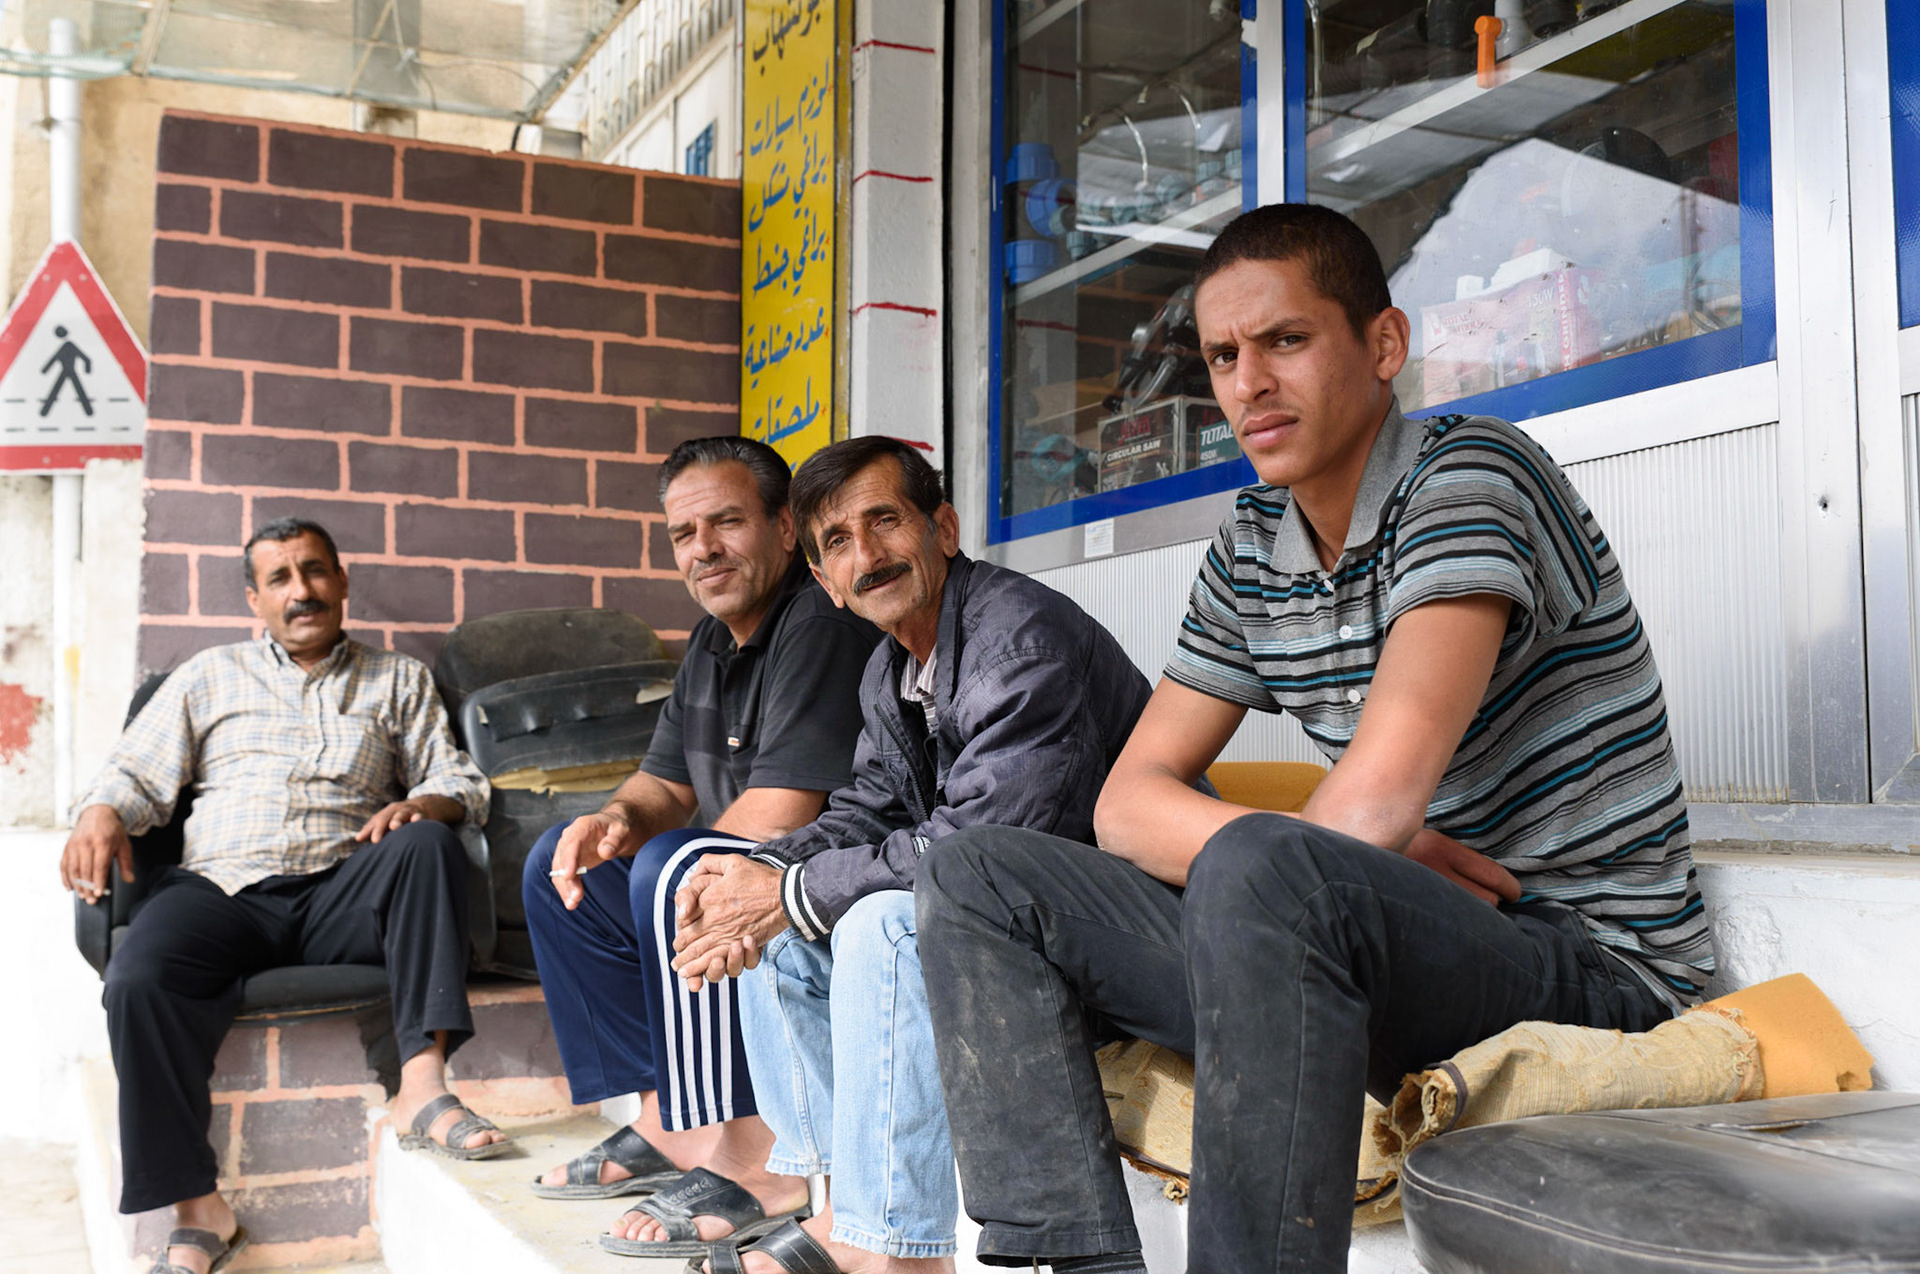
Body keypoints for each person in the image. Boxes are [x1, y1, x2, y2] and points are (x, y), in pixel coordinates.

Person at [915, 204, 1716, 1273]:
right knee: (975, 876)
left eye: (1286, 340)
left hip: (1582, 962)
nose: (1249, 381)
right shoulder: (1251, 544)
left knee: (1271, 865)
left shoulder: (1471, 476)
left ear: (1384, 346)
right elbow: (1126, 805)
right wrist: (1332, 855)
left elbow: (1372, 810)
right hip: (1366, 945)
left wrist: (1325, 854)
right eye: (1223, 355)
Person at [630, 437, 1154, 1274]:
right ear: (827, 583)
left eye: (885, 521)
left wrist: (789, 890)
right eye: (837, 542)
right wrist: (759, 880)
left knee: (881, 925)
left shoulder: (1018, 639)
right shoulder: (891, 671)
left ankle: (903, 1253)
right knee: (779, 911)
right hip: (1009, 930)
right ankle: (844, 1210)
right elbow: (866, 809)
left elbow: (975, 847)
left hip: (1115, 936)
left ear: (942, 527)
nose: (866, 555)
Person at [61, 517, 497, 1274]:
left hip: (341, 885)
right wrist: (100, 812)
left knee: (427, 843)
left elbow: (457, 778)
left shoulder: (396, 678)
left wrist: (424, 805)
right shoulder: (207, 675)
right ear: (254, 599)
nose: (303, 592)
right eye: (281, 579)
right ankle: (198, 1214)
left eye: (316, 572)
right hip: (223, 888)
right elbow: (134, 776)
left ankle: (421, 1087)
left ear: (342, 581)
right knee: (138, 978)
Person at [522, 436, 881, 1256]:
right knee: (562, 863)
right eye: (685, 534)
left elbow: (785, 810)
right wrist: (611, 821)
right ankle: (667, 1126)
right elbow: (662, 788)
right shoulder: (711, 643)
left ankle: (762, 1155)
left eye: (727, 523)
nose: (704, 549)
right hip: (747, 875)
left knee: (676, 866)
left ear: (785, 529)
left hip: (826, 889)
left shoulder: (817, 621)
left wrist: (658, 856)